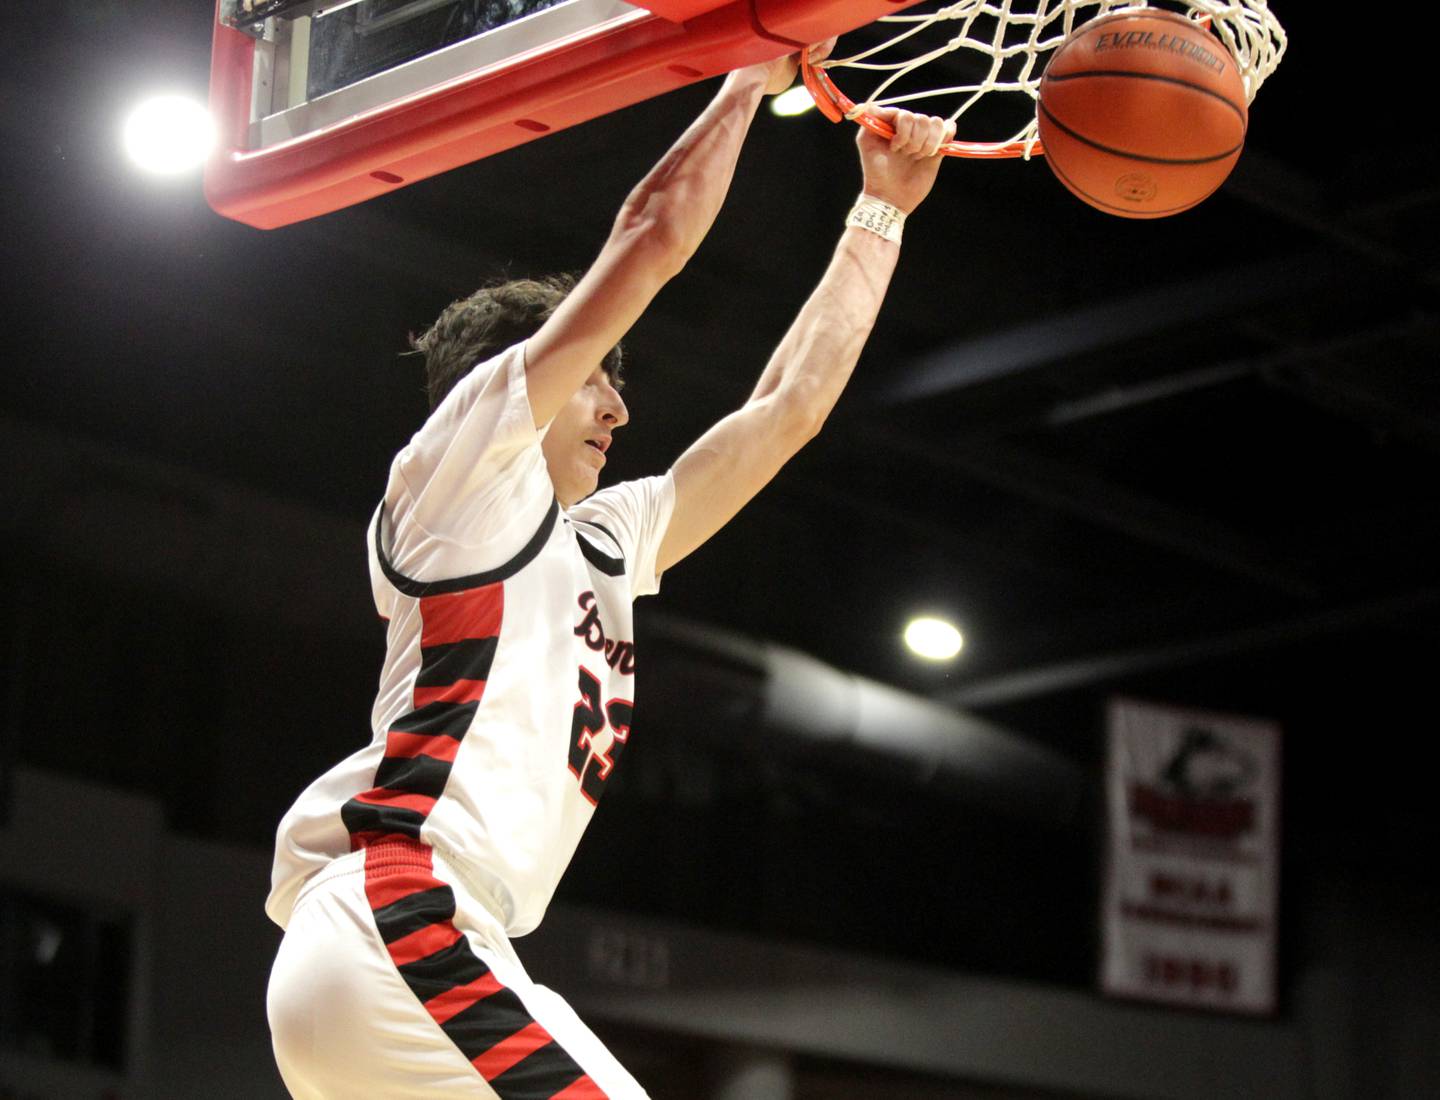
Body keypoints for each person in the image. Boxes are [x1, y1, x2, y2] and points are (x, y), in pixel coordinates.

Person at [264, 40, 954, 1100]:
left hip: (434, 945)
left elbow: (786, 413)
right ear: (516, 382)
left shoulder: (603, 540)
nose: (621, 411)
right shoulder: (461, 476)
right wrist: (745, 76)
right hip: (396, 916)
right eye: (599, 381)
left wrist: (882, 214)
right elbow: (651, 235)